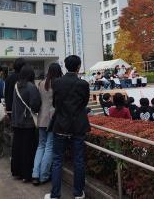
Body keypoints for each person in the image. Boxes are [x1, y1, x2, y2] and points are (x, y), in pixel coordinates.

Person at [45, 55, 89, 199]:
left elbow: (55, 104)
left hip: (61, 125)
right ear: (78, 67)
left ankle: (55, 194)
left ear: (65, 66)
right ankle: (78, 193)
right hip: (78, 126)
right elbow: (84, 104)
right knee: (78, 160)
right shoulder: (83, 84)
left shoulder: (57, 83)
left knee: (57, 159)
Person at [32, 63, 62, 186]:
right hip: (53, 118)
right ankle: (44, 175)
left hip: (41, 117)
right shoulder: (59, 84)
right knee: (49, 146)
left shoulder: (41, 83)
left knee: (41, 146)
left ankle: (35, 174)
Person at [11, 64, 41, 182]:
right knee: (28, 149)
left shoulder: (16, 86)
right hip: (28, 122)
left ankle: (17, 172)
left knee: (17, 148)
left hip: (16, 121)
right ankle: (26, 174)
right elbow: (35, 105)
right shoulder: (31, 87)